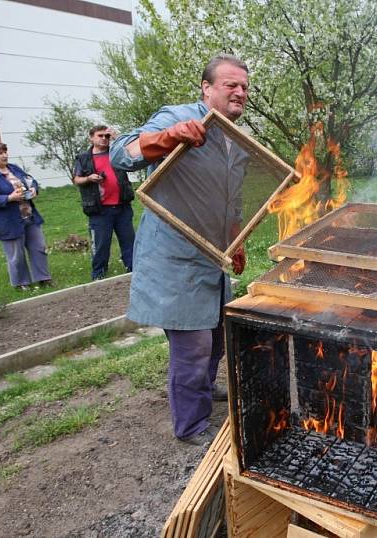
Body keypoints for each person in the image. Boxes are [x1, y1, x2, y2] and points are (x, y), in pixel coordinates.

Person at [110, 54, 249, 445]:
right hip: (174, 258)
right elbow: (122, 153)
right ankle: (191, 425)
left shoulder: (234, 141)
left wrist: (235, 240)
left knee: (218, 338)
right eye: (230, 85)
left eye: (244, 87)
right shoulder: (177, 116)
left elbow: (229, 202)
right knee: (193, 346)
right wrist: (170, 137)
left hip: (212, 258)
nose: (240, 92)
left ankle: (201, 391)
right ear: (206, 89)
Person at [0, 140, 52, 290]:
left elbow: (31, 180)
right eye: (0, 153)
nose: (5, 156)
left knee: (39, 247)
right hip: (8, 221)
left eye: (5, 152)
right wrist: (8, 198)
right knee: (16, 255)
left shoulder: (14, 169)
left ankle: (43, 278)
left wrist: (34, 189)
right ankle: (21, 283)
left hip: (29, 216)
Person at [72, 125, 136, 280]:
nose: (104, 139)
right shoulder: (83, 158)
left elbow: (133, 155)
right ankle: (99, 275)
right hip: (99, 209)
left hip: (122, 205)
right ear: (91, 138)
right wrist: (89, 178)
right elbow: (76, 179)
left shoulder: (116, 152)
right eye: (100, 135)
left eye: (106, 136)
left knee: (129, 241)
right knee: (101, 244)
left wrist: (117, 138)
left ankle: (134, 270)